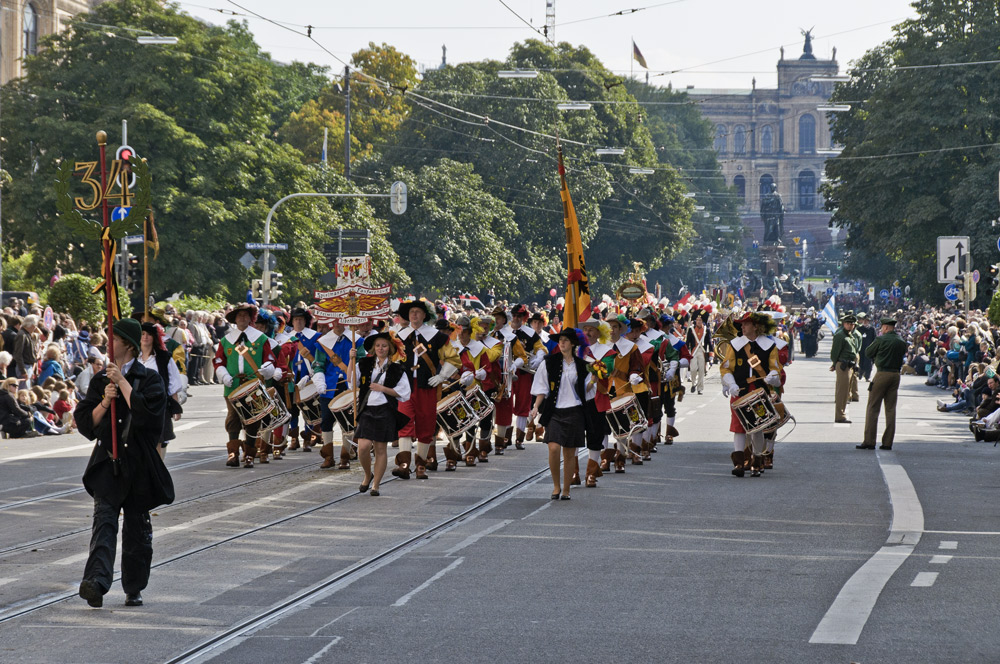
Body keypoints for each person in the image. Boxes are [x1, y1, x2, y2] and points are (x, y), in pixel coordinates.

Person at [76, 317, 172, 609]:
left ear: (128, 345)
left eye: (113, 339)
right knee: (103, 524)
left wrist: (123, 383)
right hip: (108, 462)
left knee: (137, 531)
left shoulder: (150, 379)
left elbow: (149, 418)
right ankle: (96, 582)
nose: (108, 344)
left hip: (138, 465)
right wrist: (105, 401)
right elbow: (85, 424)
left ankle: (134, 587)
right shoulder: (100, 380)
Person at [529, 329, 596, 500]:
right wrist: (536, 407)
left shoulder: (582, 365)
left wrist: (594, 378)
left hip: (575, 410)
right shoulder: (549, 362)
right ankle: (556, 486)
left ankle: (566, 489)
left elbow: (586, 390)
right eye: (561, 340)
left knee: (569, 452)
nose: (562, 343)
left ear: (573, 344)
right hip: (555, 411)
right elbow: (541, 388)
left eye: (566, 340)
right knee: (553, 447)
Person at [213, 303, 277, 468]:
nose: (242, 318)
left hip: (253, 385)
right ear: (234, 319)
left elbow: (270, 359)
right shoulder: (226, 340)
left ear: (250, 318)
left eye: (245, 315)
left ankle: (249, 454)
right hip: (232, 385)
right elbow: (219, 361)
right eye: (239, 315)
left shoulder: (261, 338)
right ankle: (233, 453)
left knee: (252, 420)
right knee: (233, 418)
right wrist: (224, 375)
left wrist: (267, 369)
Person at [719, 311, 781, 477]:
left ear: (756, 326)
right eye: (742, 324)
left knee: (757, 427)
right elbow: (726, 367)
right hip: (739, 390)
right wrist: (730, 383)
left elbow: (776, 369)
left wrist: (773, 377)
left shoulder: (769, 346)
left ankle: (757, 460)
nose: (742, 326)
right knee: (738, 427)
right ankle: (739, 463)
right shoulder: (735, 344)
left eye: (746, 323)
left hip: (759, 392)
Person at [350, 332, 411, 496]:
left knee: (380, 449)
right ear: (373, 348)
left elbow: (405, 393)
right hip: (367, 409)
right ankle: (367, 474)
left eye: (384, 346)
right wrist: (351, 360)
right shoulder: (364, 363)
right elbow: (352, 382)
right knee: (362, 448)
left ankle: (376, 484)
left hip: (385, 410)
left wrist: (383, 389)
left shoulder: (397, 369)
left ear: (390, 348)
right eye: (377, 345)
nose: (380, 348)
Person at [857, 317, 909, 451]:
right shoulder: (901, 341)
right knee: (891, 409)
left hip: (882, 374)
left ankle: (869, 441)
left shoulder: (881, 339)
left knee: (873, 407)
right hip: (895, 375)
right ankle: (887, 443)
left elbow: (868, 352)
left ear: (885, 327)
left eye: (882, 327)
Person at [139, 323, 184, 460]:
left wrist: (175, 406)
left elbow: (173, 381)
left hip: (159, 404)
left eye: (149, 334)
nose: (145, 337)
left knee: (159, 440)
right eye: (142, 334)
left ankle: (157, 471)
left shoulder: (164, 358)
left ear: (154, 337)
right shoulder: (133, 357)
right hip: (138, 403)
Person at [830, 313, 860, 423]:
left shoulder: (850, 335)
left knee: (846, 391)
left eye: (852, 324)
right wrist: (834, 364)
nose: (850, 325)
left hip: (850, 365)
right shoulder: (840, 335)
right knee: (842, 392)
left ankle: (841, 414)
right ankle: (840, 415)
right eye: (848, 324)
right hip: (843, 365)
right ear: (844, 324)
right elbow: (834, 352)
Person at [685, 312, 714, 395]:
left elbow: (709, 342)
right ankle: (693, 383)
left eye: (700, 320)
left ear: (702, 321)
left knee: (701, 370)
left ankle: (700, 388)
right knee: (693, 369)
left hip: (702, 351)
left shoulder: (706, 330)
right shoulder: (691, 329)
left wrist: (711, 354)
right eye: (697, 320)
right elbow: (687, 342)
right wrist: (686, 352)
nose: (698, 321)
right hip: (693, 351)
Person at [856, 313, 877, 381]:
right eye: (864, 320)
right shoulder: (859, 329)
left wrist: (874, 348)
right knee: (861, 362)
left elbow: (874, 339)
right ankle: (860, 373)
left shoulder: (872, 329)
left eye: (867, 321)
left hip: (869, 349)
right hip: (861, 348)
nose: (865, 322)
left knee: (868, 363)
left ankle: (867, 376)